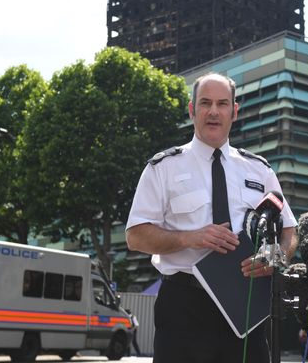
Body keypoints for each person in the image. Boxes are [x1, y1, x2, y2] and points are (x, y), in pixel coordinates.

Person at [126, 72, 298, 363]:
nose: (214, 111)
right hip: (184, 307)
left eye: (222, 103)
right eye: (205, 103)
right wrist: (189, 237)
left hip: (245, 304)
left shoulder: (259, 170)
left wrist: (276, 257)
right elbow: (135, 236)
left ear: (234, 111)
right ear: (192, 110)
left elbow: (289, 230)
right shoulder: (163, 167)